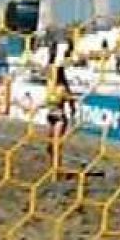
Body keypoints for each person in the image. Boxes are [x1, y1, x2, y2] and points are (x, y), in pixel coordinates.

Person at [43, 47, 77, 176]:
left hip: (59, 119)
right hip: (50, 117)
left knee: (56, 145)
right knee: (49, 147)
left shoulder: (61, 89)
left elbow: (71, 101)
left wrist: (73, 114)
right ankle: (55, 167)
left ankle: (56, 170)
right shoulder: (50, 85)